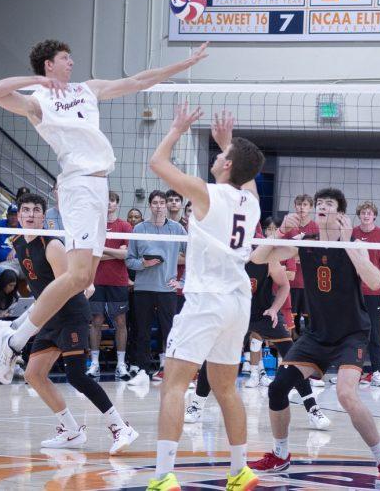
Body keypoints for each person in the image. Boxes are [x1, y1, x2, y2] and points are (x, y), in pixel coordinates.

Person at [0, 38, 208, 385]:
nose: (72, 62)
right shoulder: (37, 102)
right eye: (65, 58)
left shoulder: (87, 89)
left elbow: (136, 81)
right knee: (75, 278)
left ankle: (13, 332)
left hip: (98, 187)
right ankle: (15, 336)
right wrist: (36, 82)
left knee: (83, 280)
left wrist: (183, 65)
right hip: (79, 186)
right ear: (48, 65)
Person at [144, 106, 263, 491]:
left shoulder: (205, 192)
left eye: (221, 156)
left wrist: (177, 128)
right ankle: (240, 470)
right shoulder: (251, 200)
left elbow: (157, 162)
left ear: (227, 167)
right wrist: (229, 145)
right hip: (237, 301)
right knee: (226, 387)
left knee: (174, 385)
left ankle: (163, 476)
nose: (215, 157)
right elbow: (246, 178)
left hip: (206, 300)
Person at [249, 188, 380, 486]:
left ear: (340, 213)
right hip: (317, 335)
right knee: (277, 388)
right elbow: (257, 256)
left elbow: (375, 280)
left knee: (345, 394)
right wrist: (282, 231)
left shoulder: (355, 244)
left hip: (351, 335)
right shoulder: (304, 243)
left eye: (328, 204)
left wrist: (346, 246)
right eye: (319, 203)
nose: (321, 207)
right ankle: (280, 455)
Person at [8, 192, 139, 453]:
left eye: (36, 210)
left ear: (43, 217)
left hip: (71, 315)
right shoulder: (18, 243)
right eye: (26, 210)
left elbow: (65, 288)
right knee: (33, 375)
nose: (31, 215)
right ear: (18, 215)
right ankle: (70, 431)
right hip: (50, 317)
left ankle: (120, 426)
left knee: (76, 375)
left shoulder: (52, 245)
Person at [186, 231, 330, 432]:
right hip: (235, 314)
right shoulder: (226, 257)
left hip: (263, 314)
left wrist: (274, 309)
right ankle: (196, 406)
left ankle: (313, 409)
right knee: (213, 359)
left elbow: (285, 285)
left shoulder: (267, 259)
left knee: (293, 358)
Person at [124, 190, 186, 383]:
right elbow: (129, 260)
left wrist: (182, 282)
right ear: (150, 206)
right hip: (143, 289)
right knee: (141, 331)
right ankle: (142, 371)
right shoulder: (139, 229)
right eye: (155, 203)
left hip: (167, 289)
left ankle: (170, 369)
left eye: (162, 202)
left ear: (166, 205)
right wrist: (144, 264)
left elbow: (194, 256)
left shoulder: (177, 229)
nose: (158, 206)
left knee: (170, 331)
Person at [87, 191, 132, 379]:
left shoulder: (125, 226)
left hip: (118, 281)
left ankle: (121, 365)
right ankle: (94, 364)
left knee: (121, 322)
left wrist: (101, 249)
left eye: (111, 201)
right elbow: (89, 253)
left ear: (117, 204)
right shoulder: (93, 224)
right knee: (95, 322)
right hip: (95, 280)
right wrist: (115, 251)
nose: (108, 204)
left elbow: (125, 254)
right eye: (105, 200)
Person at [351, 201, 380, 387]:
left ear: (374, 216)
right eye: (363, 213)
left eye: (369, 213)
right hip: (353, 291)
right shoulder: (351, 234)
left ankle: (376, 372)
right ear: (359, 215)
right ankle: (353, 372)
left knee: (375, 333)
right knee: (353, 333)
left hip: (374, 291)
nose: (366, 215)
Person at [281, 194, 318, 338]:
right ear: (295, 206)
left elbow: (317, 253)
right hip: (291, 282)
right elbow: (281, 250)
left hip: (309, 283)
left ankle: (310, 355)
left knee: (311, 323)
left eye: (305, 205)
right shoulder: (288, 225)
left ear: (310, 207)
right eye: (299, 204)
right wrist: (292, 257)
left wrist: (300, 257)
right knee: (291, 322)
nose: (301, 208)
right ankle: (291, 355)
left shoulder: (315, 227)